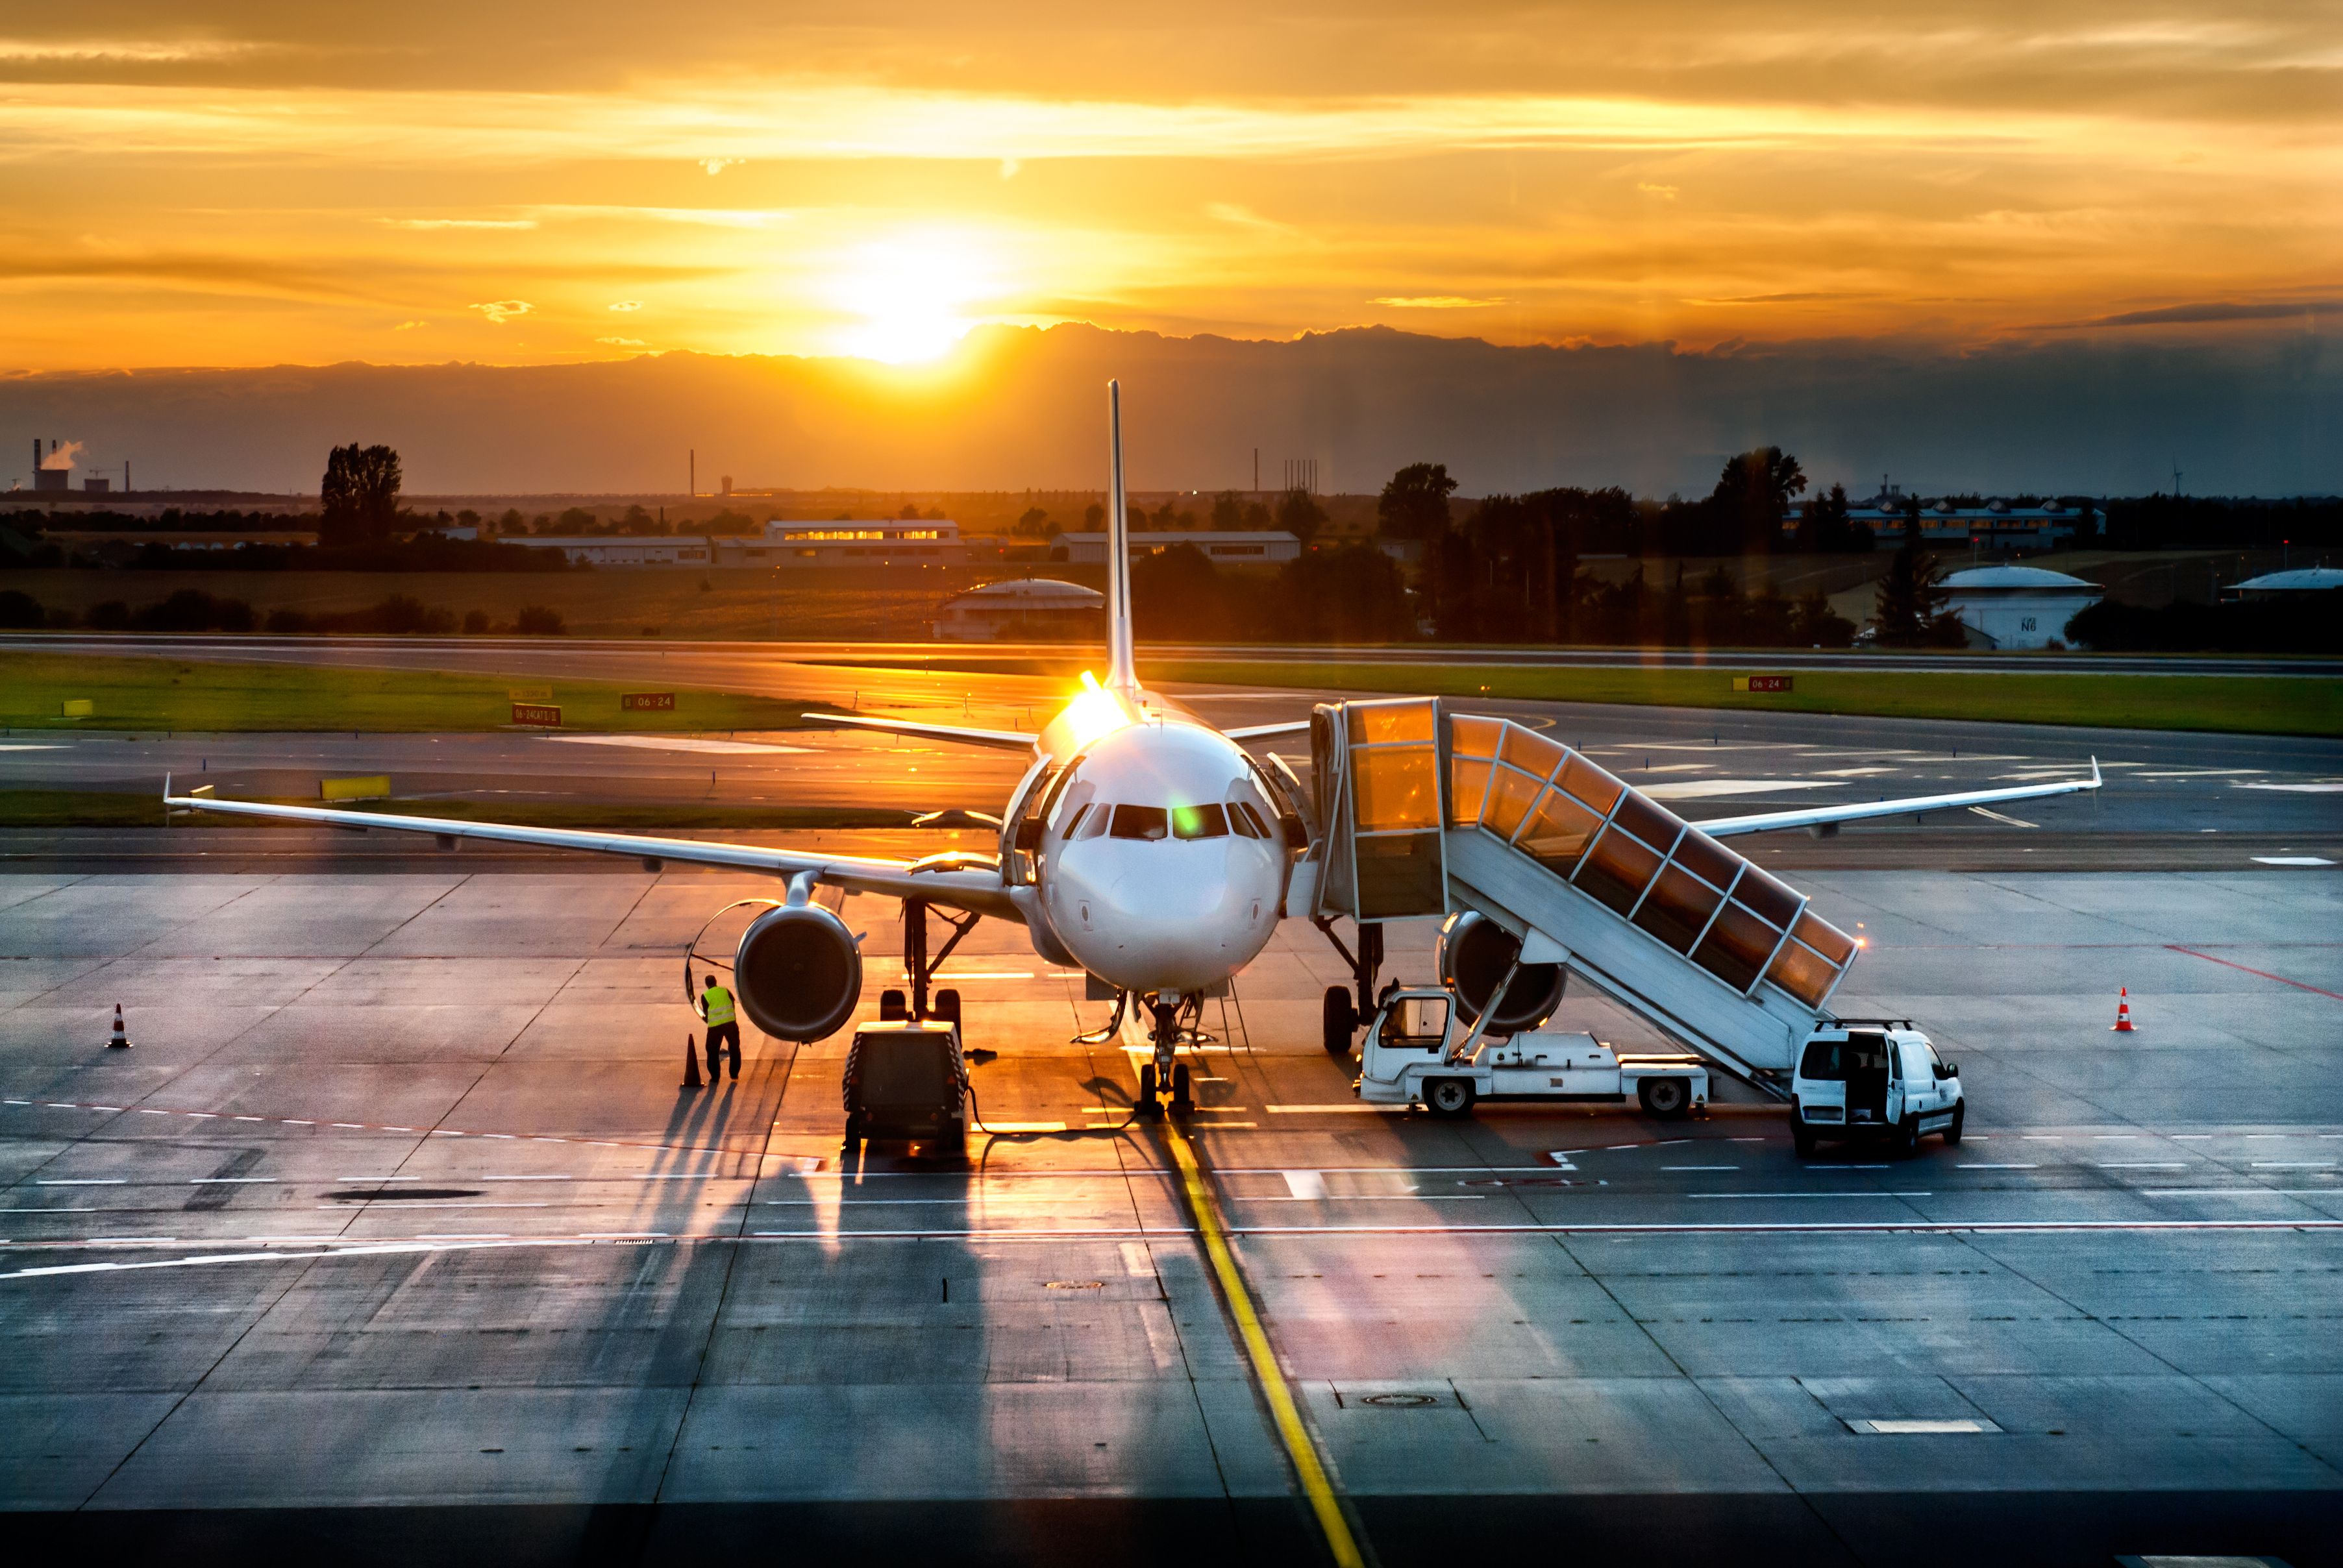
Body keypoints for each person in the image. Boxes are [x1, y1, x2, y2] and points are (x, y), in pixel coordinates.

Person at [699, 972, 741, 1081]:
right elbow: (732, 1004)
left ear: (707, 984)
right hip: (730, 1024)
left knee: (712, 1050)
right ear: (716, 982)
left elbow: (706, 1013)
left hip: (715, 1027)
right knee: (734, 1048)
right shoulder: (725, 991)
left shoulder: (705, 996)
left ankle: (715, 1077)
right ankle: (734, 1074)